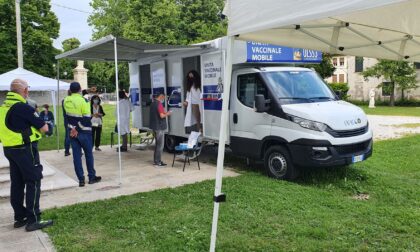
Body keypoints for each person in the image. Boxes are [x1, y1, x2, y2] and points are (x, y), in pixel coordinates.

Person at [0, 79, 53, 231]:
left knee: (17, 182)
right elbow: (44, 128)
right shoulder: (24, 108)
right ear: (24, 91)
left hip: (9, 149)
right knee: (34, 180)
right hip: (25, 149)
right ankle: (33, 219)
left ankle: (20, 217)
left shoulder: (3, 107)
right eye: (27, 89)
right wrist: (47, 126)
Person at [64, 82, 101, 187]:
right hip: (84, 131)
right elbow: (86, 118)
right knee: (88, 154)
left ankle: (81, 180)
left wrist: (73, 128)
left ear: (70, 90)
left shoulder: (66, 100)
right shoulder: (83, 100)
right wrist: (77, 128)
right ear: (80, 89)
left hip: (72, 132)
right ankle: (91, 177)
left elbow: (68, 117)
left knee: (76, 156)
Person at [150, 92, 172, 166]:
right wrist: (168, 114)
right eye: (164, 97)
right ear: (161, 96)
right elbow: (162, 116)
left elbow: (158, 113)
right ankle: (158, 162)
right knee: (160, 145)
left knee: (157, 144)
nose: (164, 99)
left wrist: (164, 112)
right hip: (159, 127)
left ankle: (156, 160)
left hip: (154, 127)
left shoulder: (153, 103)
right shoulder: (159, 104)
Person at [62, 90, 72, 156]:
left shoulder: (64, 100)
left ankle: (66, 151)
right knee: (76, 135)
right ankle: (78, 151)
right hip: (73, 120)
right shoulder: (73, 100)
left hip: (66, 120)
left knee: (67, 136)